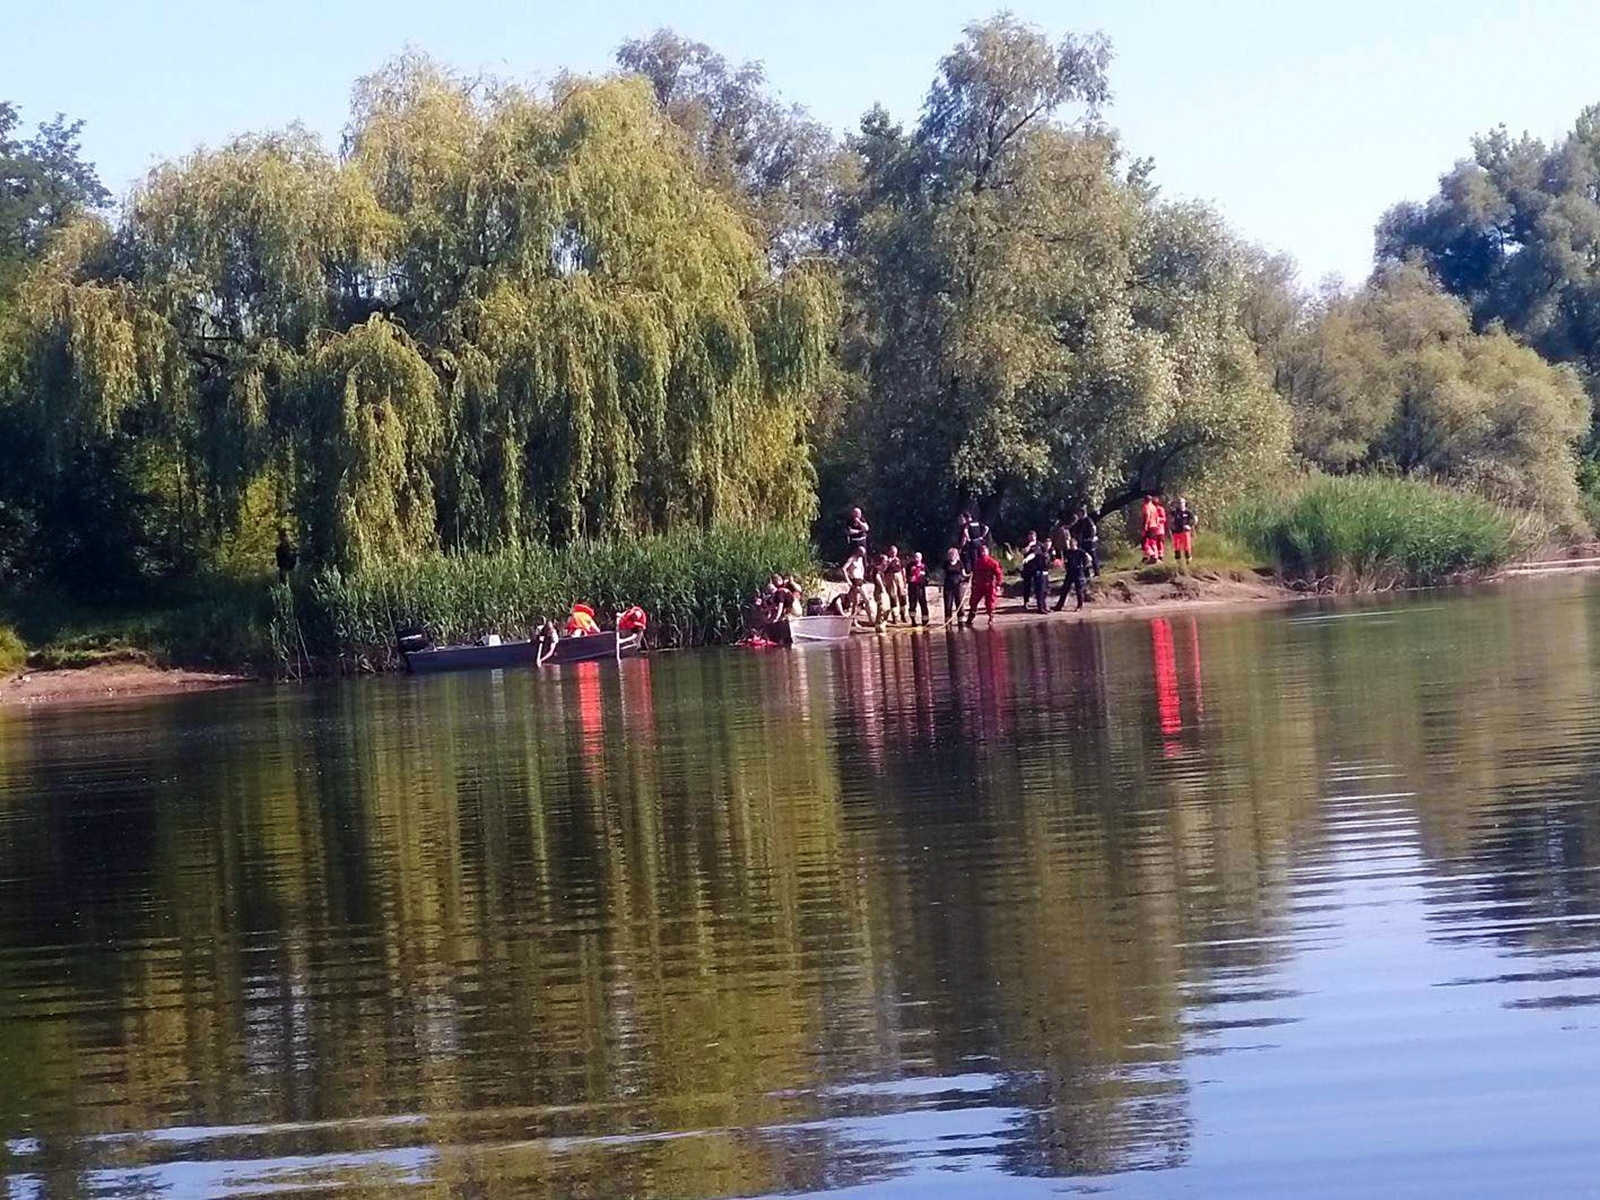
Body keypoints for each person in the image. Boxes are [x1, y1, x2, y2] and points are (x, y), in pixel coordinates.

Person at [967, 544, 1003, 627]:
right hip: (979, 584)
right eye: (982, 551)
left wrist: (998, 584)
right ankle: (971, 617)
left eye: (984, 551)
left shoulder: (993, 562)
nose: (983, 552)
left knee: (990, 602)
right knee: (973, 601)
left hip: (989, 584)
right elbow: (975, 574)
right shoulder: (977, 562)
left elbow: (999, 574)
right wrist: (974, 584)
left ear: (988, 551)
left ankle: (991, 617)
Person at [1055, 538, 1092, 611]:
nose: (1069, 545)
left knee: (1079, 590)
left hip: (1078, 572)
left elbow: (1089, 558)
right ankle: (1059, 606)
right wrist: (1065, 566)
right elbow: (1065, 560)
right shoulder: (1068, 552)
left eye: (1071, 544)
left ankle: (1079, 606)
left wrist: (1085, 565)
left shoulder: (1080, 551)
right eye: (1069, 544)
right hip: (1070, 572)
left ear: (1075, 544)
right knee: (1064, 589)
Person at [1021, 530, 1050, 613]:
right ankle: (1026, 601)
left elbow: (1042, 553)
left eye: (1033, 536)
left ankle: (1041, 604)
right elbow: (1024, 552)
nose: (1031, 538)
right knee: (1027, 585)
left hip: (1037, 568)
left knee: (1041, 587)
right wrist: (1029, 546)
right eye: (1030, 536)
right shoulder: (1026, 544)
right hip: (1028, 568)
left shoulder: (1039, 544)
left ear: (1035, 536)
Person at [1070, 506, 1100, 577]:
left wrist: (1092, 537)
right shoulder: (1078, 522)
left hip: (1089, 541)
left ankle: (1097, 573)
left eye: (1079, 513)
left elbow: (1093, 528)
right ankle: (1086, 574)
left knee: (1093, 556)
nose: (1078, 515)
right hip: (1082, 541)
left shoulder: (1088, 520)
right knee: (1083, 557)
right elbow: (1074, 530)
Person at [883, 545, 908, 623]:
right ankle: (895, 616)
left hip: (899, 575)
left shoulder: (899, 559)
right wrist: (888, 562)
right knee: (893, 596)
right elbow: (883, 570)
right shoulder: (886, 559)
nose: (893, 554)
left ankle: (903, 614)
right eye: (892, 552)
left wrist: (904, 580)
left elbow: (903, 569)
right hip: (890, 576)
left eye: (894, 552)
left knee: (902, 596)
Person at [942, 547, 966, 627]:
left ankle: (961, 621)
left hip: (958, 586)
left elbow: (964, 574)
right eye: (950, 554)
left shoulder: (960, 563)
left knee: (959, 602)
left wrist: (970, 576)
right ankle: (948, 621)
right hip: (948, 586)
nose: (952, 556)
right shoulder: (946, 564)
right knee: (948, 603)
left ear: (956, 555)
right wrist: (939, 584)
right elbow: (943, 575)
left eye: (953, 554)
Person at [1170, 498, 1198, 565]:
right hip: (1176, 532)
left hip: (1185, 531)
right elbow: (1170, 519)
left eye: (1182, 503)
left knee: (1187, 546)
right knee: (1177, 546)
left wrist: (1189, 525)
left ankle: (1188, 559)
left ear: (1185, 503)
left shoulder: (1188, 512)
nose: (1180, 504)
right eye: (1179, 503)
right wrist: (1172, 525)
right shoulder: (1175, 512)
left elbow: (1194, 519)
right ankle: (1178, 562)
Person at [843, 546, 868, 619]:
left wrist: (862, 576)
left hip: (860, 580)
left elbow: (862, 568)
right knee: (856, 601)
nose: (862, 555)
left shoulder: (861, 559)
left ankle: (870, 618)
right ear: (858, 552)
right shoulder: (852, 559)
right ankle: (854, 619)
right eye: (861, 553)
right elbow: (844, 568)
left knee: (866, 599)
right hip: (854, 580)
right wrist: (848, 580)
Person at [906, 551, 930, 626]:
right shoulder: (910, 566)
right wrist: (910, 578)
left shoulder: (924, 566)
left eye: (918, 557)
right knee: (912, 604)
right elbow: (906, 576)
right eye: (915, 557)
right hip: (912, 588)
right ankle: (913, 620)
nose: (917, 559)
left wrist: (924, 577)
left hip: (921, 588)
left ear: (921, 558)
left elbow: (928, 577)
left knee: (923, 603)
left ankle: (925, 620)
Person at [1140, 494, 1163, 564]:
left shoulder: (1146, 506)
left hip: (1149, 526)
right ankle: (1156, 556)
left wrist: (1145, 526)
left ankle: (1152, 555)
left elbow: (1147, 515)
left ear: (1145, 500)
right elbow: (1157, 517)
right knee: (1153, 542)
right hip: (1155, 526)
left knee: (1144, 543)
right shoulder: (1154, 507)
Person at [1154, 496, 1169, 562]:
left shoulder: (1160, 509)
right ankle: (1155, 556)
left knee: (1160, 542)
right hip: (1152, 529)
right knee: (1153, 542)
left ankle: (1160, 556)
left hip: (1160, 529)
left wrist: (1158, 519)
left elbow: (1164, 519)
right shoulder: (1151, 509)